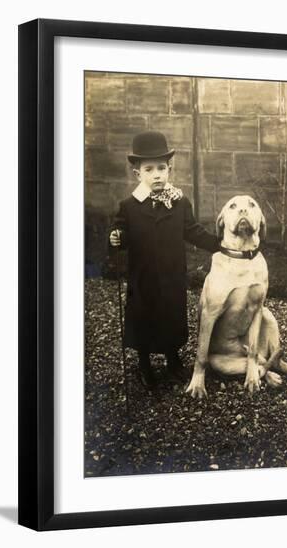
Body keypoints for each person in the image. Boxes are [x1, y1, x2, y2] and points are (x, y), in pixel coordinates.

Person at [109, 130, 220, 389]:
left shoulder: (179, 202)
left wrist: (218, 244)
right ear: (138, 174)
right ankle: (145, 365)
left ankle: (173, 359)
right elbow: (121, 232)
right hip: (143, 276)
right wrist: (116, 238)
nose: (157, 174)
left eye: (162, 168)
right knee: (144, 318)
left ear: (169, 169)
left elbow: (193, 231)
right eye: (149, 169)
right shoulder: (130, 206)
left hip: (171, 275)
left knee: (171, 317)